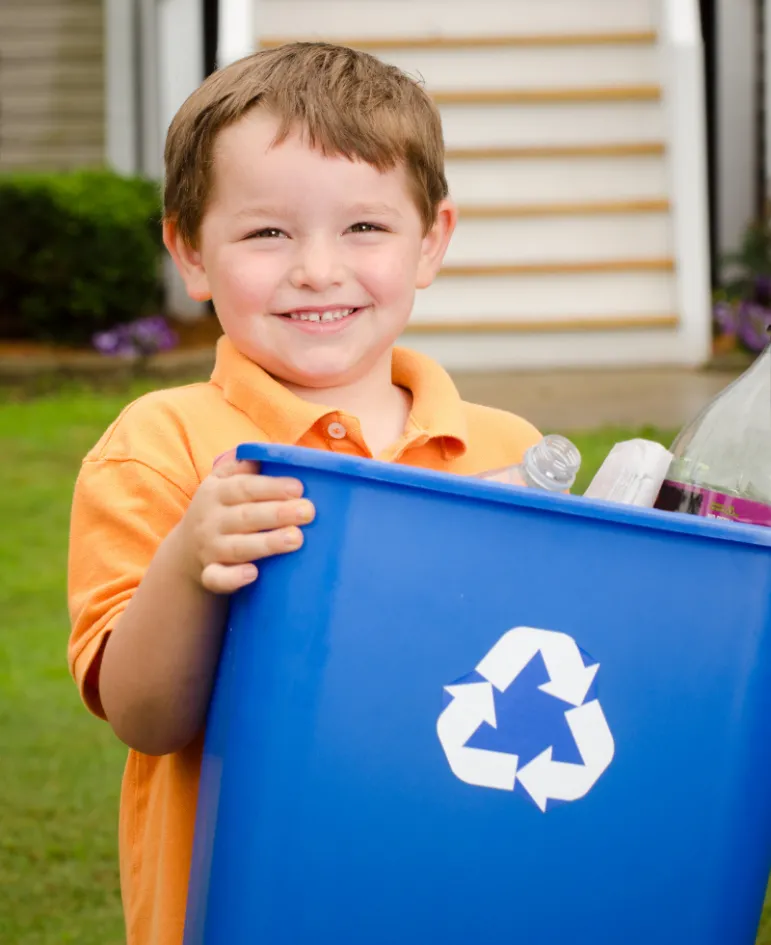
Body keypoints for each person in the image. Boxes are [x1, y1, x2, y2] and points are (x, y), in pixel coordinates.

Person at [67, 42, 541, 945]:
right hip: (246, 910)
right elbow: (146, 718)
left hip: (444, 891)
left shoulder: (502, 451)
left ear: (430, 242)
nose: (317, 268)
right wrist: (191, 561)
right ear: (190, 253)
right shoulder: (158, 449)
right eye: (266, 232)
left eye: (363, 228)